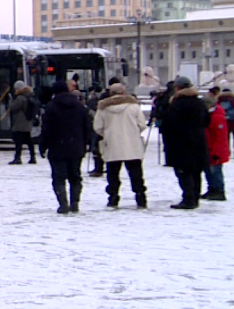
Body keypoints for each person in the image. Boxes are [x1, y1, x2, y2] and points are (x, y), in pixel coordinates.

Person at [92, 83, 148, 208]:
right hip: (132, 145)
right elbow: (142, 125)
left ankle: (113, 197)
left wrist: (107, 134)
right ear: (124, 92)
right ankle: (140, 197)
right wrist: (133, 132)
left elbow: (98, 127)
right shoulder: (134, 106)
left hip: (112, 145)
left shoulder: (103, 108)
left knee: (112, 174)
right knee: (136, 174)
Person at [39, 80, 90, 214]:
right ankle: (75, 203)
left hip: (57, 147)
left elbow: (47, 129)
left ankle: (63, 204)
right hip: (76, 147)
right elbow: (87, 127)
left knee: (59, 177)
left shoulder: (51, 107)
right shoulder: (79, 106)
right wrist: (86, 143)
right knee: (75, 176)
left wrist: (43, 146)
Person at [160, 76, 210, 210]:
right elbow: (207, 121)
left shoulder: (177, 104)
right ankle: (195, 196)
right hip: (199, 141)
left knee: (184, 171)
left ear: (178, 88)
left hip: (181, 142)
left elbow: (169, 124)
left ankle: (188, 199)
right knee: (196, 171)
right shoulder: (199, 102)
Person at [203, 96, 229, 201]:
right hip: (210, 149)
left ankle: (219, 191)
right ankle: (212, 189)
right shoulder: (211, 115)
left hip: (216, 151)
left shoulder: (217, 117)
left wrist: (216, 152)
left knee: (215, 172)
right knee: (209, 171)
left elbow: (220, 138)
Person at [8, 80, 37, 165]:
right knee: (28, 141)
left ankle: (17, 158)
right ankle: (33, 157)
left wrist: (10, 100)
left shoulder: (20, 98)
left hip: (20, 124)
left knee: (18, 142)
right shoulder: (29, 96)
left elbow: (13, 108)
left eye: (15, 89)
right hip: (27, 123)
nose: (15, 90)